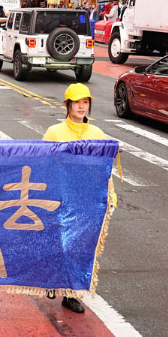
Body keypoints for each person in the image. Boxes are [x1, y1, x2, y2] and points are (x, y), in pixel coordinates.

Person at [42, 83, 118, 314]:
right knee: (60, 243)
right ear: (67, 105)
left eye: (85, 102)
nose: (82, 107)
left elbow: (103, 170)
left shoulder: (97, 134)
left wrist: (110, 195)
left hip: (86, 200)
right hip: (61, 198)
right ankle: (53, 280)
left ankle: (71, 294)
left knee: (78, 247)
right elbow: (43, 165)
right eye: (77, 102)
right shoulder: (54, 132)